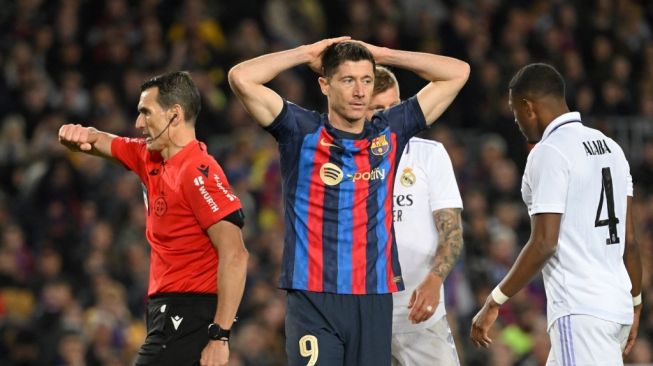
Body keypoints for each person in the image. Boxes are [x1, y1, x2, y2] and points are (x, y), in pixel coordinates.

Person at [228, 38, 469, 366]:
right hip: (313, 297)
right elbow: (241, 77)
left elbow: (457, 72)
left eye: (366, 80)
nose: (359, 91)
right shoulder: (300, 132)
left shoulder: (390, 133)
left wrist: (382, 54)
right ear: (325, 85)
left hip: (373, 299)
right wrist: (305, 54)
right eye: (348, 80)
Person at [58, 71, 249, 366]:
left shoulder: (198, 172)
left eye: (146, 113)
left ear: (175, 115)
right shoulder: (151, 157)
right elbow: (106, 142)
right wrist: (79, 135)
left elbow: (235, 254)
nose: (138, 123)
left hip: (190, 314)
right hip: (165, 311)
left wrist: (219, 336)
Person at [470, 63, 642, 365]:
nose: (516, 120)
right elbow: (629, 240)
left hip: (580, 310)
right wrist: (636, 303)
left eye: (514, 111)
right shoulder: (613, 148)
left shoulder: (549, 152)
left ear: (528, 106)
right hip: (615, 306)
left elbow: (544, 243)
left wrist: (494, 300)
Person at [366, 66, 464, 366]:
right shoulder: (343, 160)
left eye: (394, 108)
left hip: (419, 313)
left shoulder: (428, 154)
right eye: (377, 109)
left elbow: (452, 232)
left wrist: (435, 280)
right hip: (365, 316)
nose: (387, 118)